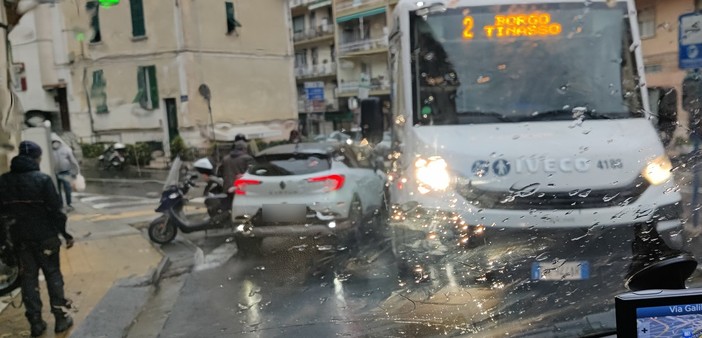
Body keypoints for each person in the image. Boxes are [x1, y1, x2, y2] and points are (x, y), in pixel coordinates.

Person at [0, 141, 74, 337]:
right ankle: (60, 318)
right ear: (36, 158)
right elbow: (57, 212)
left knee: (28, 279)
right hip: (46, 238)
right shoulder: (42, 180)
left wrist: (4, 244)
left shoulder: (3, 181)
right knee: (53, 276)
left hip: (20, 240)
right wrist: (65, 234)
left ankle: (35, 323)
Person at [51, 139, 80, 212]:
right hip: (55, 173)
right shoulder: (50, 151)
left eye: (56, 142)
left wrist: (76, 170)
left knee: (67, 188)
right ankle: (60, 205)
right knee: (57, 190)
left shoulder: (66, 150)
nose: (55, 144)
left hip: (66, 172)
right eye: (53, 142)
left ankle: (69, 204)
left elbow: (72, 160)